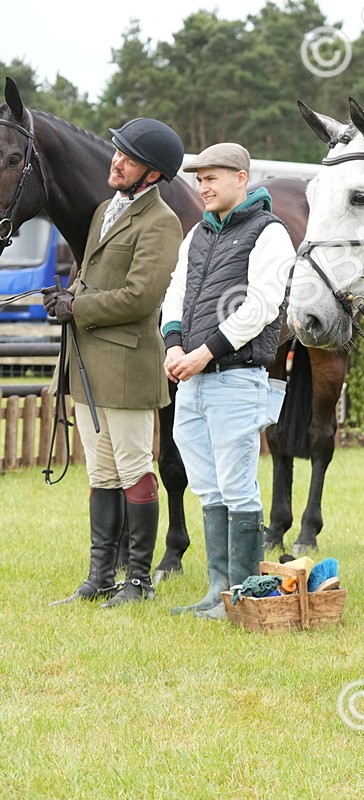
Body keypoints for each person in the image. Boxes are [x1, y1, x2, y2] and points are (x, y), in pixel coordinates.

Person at [45, 118, 185, 608]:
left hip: (126, 368)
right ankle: (100, 575)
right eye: (117, 151)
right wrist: (66, 297)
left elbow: (141, 298)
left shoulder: (162, 223)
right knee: (100, 475)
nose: (116, 160)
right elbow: (92, 277)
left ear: (152, 174)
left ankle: (140, 581)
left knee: (134, 471)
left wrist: (78, 308)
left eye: (128, 156)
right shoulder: (106, 208)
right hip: (87, 364)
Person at [161, 142, 292, 620]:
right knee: (207, 488)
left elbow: (260, 306)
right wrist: (174, 345)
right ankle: (218, 590)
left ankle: (240, 592)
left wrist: (201, 353)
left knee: (237, 488)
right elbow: (174, 294)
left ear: (241, 177)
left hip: (236, 378)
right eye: (199, 179)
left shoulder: (269, 233)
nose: (203, 186)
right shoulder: (197, 233)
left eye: (212, 177)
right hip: (192, 378)